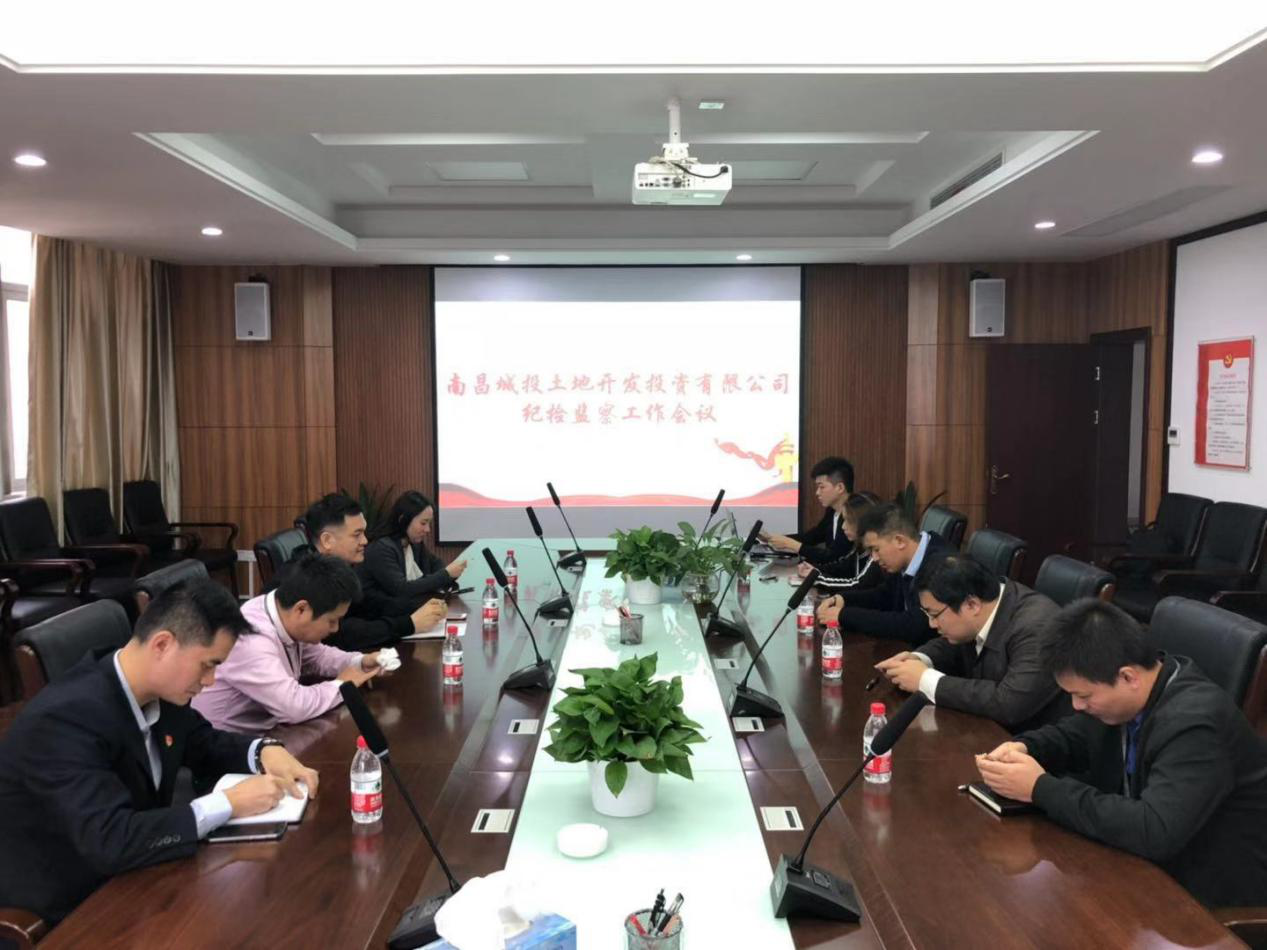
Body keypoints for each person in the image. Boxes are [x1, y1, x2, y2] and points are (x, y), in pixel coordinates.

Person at [0, 580, 320, 925]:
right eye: (208, 665)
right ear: (162, 645)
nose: (211, 680)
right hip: (71, 909)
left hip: (141, 875)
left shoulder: (160, 690)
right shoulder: (64, 720)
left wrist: (264, 751)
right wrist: (227, 804)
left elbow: (202, 741)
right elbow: (111, 840)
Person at [975, 599, 1267, 908]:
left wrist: (1040, 788)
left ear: (1128, 677)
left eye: (1083, 695)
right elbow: (1075, 736)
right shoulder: (1134, 695)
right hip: (1143, 865)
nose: (1076, 706)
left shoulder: (1196, 724)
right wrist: (1025, 747)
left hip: (1206, 896)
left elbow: (1155, 831)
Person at [193, 553, 383, 733]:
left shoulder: (281, 609)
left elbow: (317, 656)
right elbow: (294, 707)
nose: (335, 629)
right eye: (332, 620)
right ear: (301, 609)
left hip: (269, 731)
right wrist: (343, 685)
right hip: (227, 743)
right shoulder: (252, 638)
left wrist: (359, 662)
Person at [874, 555, 1068, 731]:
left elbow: (1009, 704)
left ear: (972, 605)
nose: (932, 624)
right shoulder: (984, 610)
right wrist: (919, 659)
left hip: (1033, 743)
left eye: (934, 615)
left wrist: (925, 680)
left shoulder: (1038, 628)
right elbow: (955, 644)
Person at [271, 493, 447, 650]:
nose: (365, 541)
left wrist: (416, 608)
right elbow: (340, 634)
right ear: (327, 540)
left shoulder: (336, 567)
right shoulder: (306, 577)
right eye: (357, 534)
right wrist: (409, 624)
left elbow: (367, 603)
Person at [815, 503, 955, 644]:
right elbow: (885, 595)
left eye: (876, 549)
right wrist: (843, 600)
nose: (874, 558)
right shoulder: (906, 559)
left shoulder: (942, 566)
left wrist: (844, 616)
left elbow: (916, 625)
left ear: (899, 541)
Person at [363, 490, 467, 610]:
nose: (427, 529)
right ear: (403, 520)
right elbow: (402, 589)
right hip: (378, 616)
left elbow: (435, 565)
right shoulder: (381, 548)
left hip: (406, 612)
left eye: (429, 523)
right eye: (423, 523)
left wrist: (451, 573)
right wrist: (446, 574)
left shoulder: (414, 543)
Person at [760, 456, 855, 566]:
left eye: (822, 487)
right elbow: (812, 537)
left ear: (840, 488)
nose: (817, 493)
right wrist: (774, 539)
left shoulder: (854, 516)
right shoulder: (832, 511)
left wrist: (792, 545)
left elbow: (833, 556)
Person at [799, 491, 885, 592]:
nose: (843, 526)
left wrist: (817, 579)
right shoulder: (859, 548)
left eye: (848, 520)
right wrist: (814, 570)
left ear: (863, 522)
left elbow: (857, 585)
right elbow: (841, 568)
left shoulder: (877, 555)